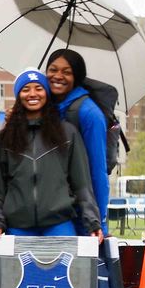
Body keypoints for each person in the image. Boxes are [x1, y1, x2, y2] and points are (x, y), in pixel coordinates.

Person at [0, 69, 102, 244]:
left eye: (39, 88)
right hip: (18, 227)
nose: (32, 94)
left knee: (62, 272)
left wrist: (92, 221)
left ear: (47, 93)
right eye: (26, 89)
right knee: (23, 273)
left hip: (59, 225)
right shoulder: (4, 139)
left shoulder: (67, 133)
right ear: (18, 96)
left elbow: (82, 184)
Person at [44, 49, 111, 234]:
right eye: (53, 69)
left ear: (77, 77)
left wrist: (99, 222)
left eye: (67, 72)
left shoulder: (90, 113)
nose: (58, 76)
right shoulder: (44, 105)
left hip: (79, 215)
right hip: (50, 213)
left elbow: (97, 171)